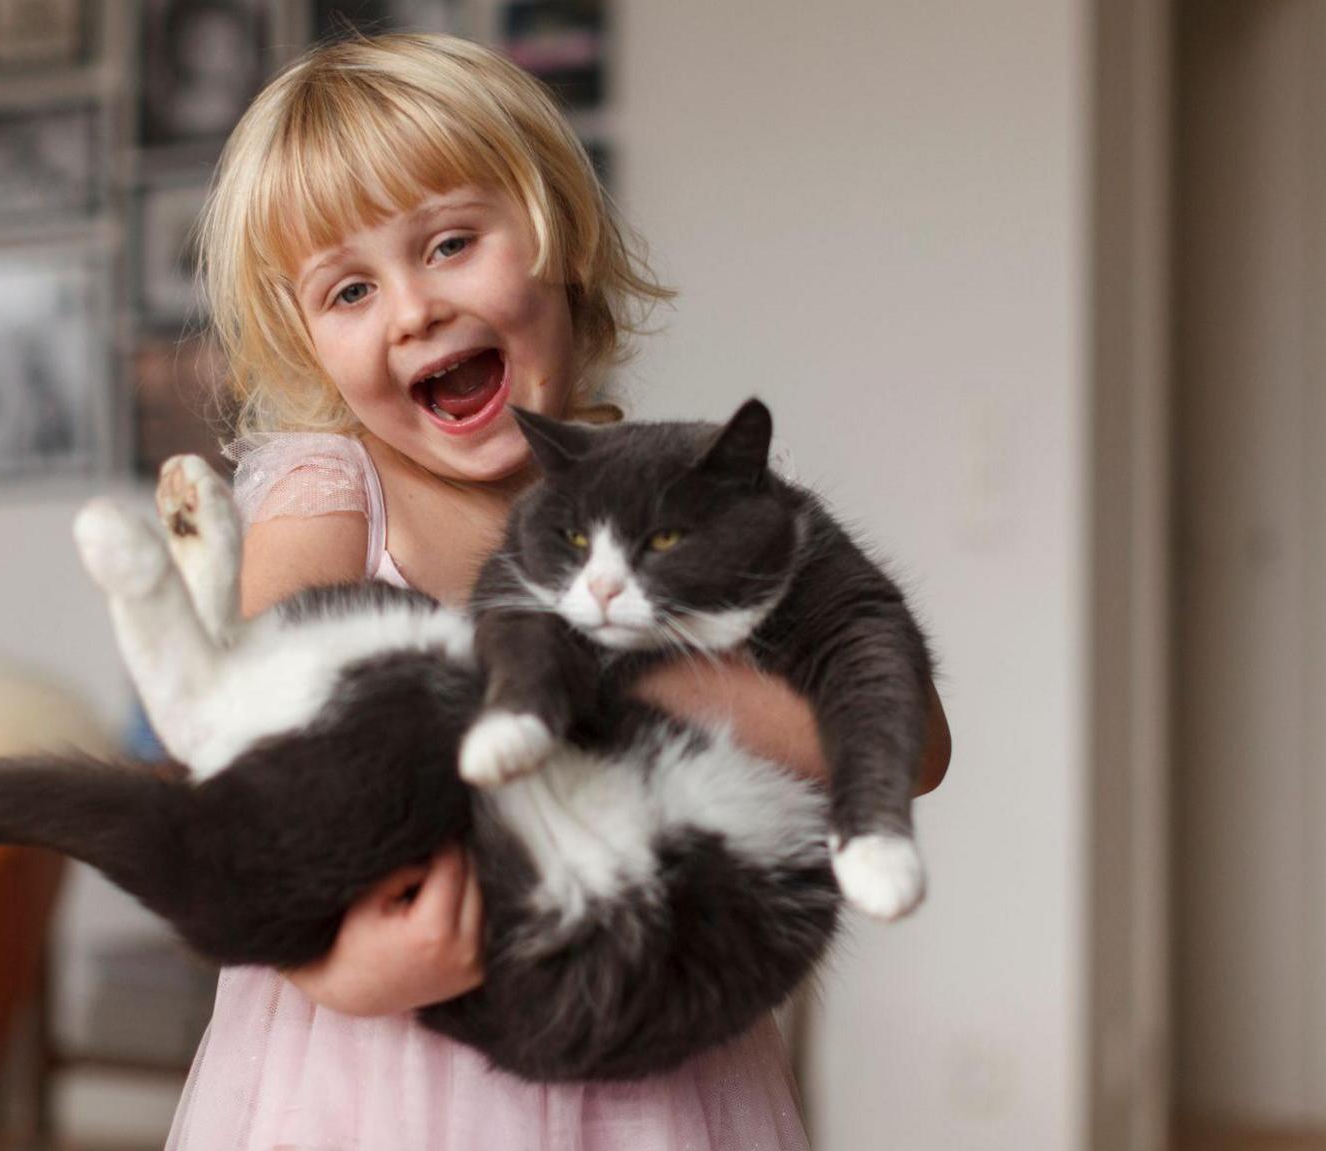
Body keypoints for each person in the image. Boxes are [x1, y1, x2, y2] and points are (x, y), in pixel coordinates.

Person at [165, 32, 951, 1151]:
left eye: (448, 242)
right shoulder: (331, 488)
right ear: (307, 340)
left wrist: (641, 693)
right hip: (377, 1068)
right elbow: (238, 759)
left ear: (559, 239)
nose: (411, 310)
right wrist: (328, 964)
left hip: (647, 1045)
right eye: (348, 288)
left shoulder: (661, 497)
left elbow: (914, 745)